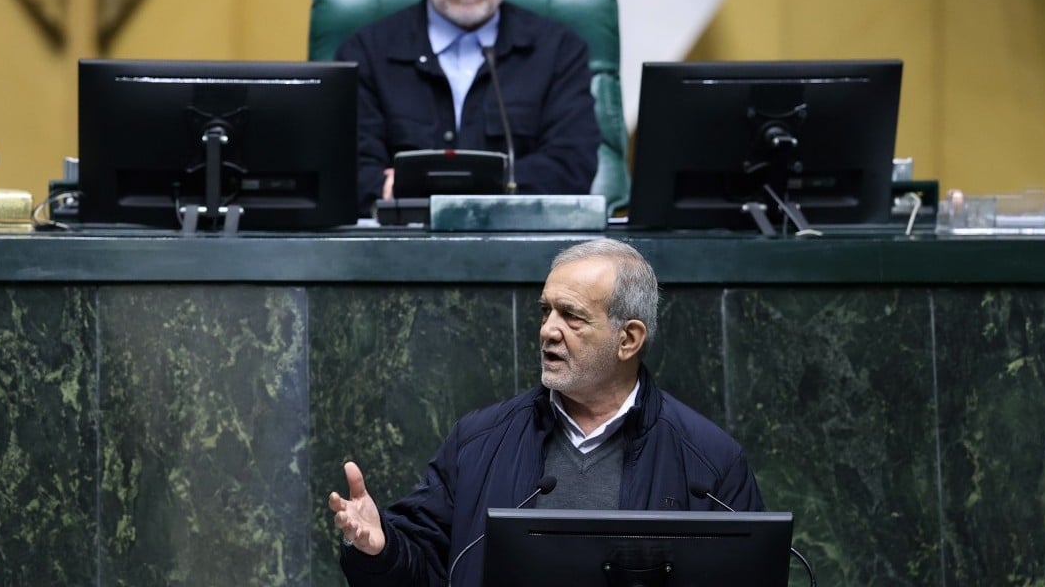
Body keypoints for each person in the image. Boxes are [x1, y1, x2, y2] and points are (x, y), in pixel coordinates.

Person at [328, 238, 765, 587]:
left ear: (628, 339)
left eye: (571, 316)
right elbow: (423, 567)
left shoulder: (710, 462)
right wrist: (380, 550)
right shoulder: (478, 441)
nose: (547, 330)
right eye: (545, 311)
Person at [336, 0, 601, 215]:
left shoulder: (559, 51)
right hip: (398, 250)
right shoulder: (366, 52)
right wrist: (381, 187)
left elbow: (572, 166)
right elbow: (345, 169)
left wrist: (451, 189)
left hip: (520, 251)